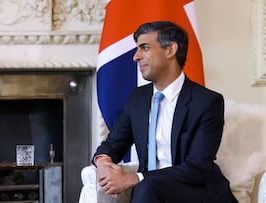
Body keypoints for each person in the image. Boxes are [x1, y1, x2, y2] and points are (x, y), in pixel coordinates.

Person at [93, 21, 238, 203]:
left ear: (170, 50)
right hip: (150, 193)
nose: (136, 57)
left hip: (197, 192)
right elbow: (113, 144)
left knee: (146, 186)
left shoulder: (207, 102)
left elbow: (198, 168)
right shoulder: (138, 98)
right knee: (146, 188)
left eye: (144, 48)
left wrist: (134, 178)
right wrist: (103, 163)